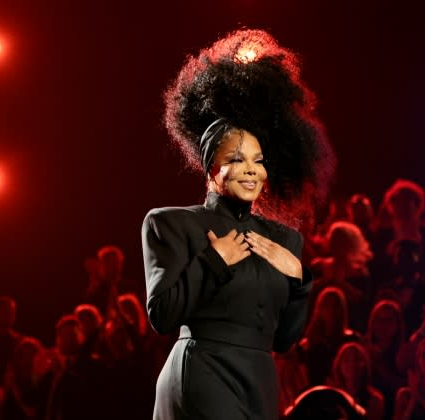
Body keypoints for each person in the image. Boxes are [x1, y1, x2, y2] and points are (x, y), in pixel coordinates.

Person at [141, 29, 335, 420]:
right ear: (212, 168)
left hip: (260, 378)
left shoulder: (285, 240)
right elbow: (161, 315)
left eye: (258, 160)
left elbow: (284, 340)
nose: (250, 170)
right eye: (237, 159)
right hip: (201, 371)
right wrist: (213, 260)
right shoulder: (170, 224)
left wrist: (299, 280)